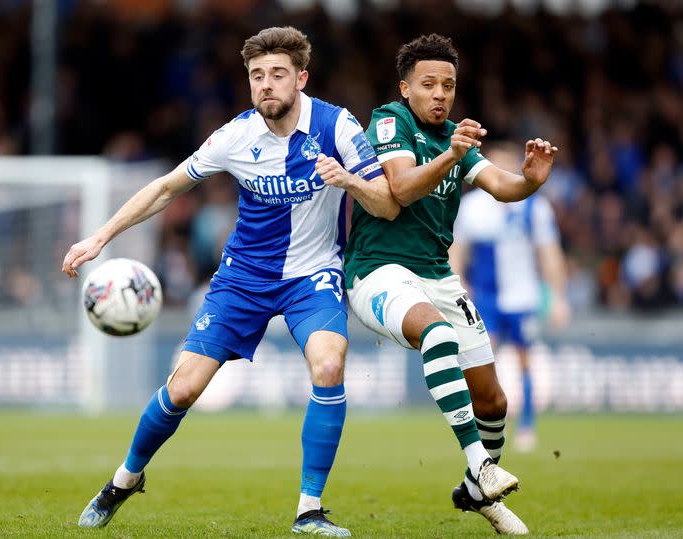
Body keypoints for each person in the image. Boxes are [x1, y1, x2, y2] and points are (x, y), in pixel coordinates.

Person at [62, 26, 399, 537]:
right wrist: (100, 238)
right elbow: (164, 188)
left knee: (329, 364)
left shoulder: (340, 128)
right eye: (256, 76)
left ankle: (309, 510)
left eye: (277, 75)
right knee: (184, 388)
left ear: (301, 79)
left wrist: (349, 180)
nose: (266, 85)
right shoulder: (235, 136)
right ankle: (124, 481)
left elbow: (388, 204)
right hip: (243, 277)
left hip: (314, 275)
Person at [344, 34, 559, 535]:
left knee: (494, 400)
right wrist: (451, 154)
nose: (440, 94)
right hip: (378, 269)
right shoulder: (390, 121)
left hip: (437, 273)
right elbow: (399, 187)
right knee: (437, 334)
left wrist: (530, 180)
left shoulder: (453, 139)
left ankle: (476, 491)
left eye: (449, 85)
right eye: (429, 84)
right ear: (406, 87)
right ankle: (482, 465)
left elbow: (500, 184)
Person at [451, 143, 571, 453]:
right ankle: (479, 426)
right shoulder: (473, 206)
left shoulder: (534, 206)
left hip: (523, 298)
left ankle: (527, 426)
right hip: (486, 299)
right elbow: (458, 252)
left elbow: (549, 254)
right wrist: (458, 285)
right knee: (480, 361)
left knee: (525, 361)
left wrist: (558, 296)